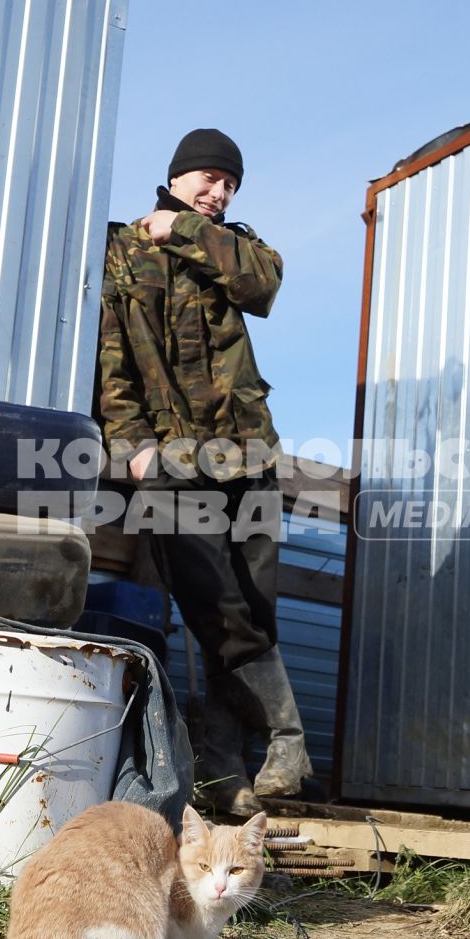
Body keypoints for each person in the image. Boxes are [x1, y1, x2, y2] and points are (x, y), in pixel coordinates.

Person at [95, 128, 312, 817]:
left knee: (254, 606)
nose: (217, 193)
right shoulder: (122, 249)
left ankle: (224, 772)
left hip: (247, 454)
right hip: (173, 459)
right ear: (176, 173)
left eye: (228, 185)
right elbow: (111, 357)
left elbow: (265, 285)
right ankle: (286, 737)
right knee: (214, 603)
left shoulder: (234, 245)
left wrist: (185, 225)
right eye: (207, 179)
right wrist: (128, 440)